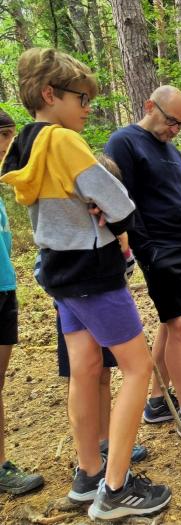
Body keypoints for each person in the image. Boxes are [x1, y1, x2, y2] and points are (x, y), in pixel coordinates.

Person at [1, 48, 170, 519]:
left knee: (84, 369)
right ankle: (116, 489)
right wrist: (107, 209)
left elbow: (70, 203)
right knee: (137, 369)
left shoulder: (27, 145)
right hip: (94, 274)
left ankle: (89, 472)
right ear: (49, 94)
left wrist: (90, 206)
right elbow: (119, 203)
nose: (87, 107)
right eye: (82, 98)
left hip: (58, 271)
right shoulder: (63, 140)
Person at [105, 85, 181, 450]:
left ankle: (157, 400)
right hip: (160, 249)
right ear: (149, 106)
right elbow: (122, 201)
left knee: (175, 322)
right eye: (172, 121)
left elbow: (180, 194)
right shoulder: (125, 142)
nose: (175, 130)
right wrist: (146, 249)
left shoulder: (170, 150)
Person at [52, 155, 145, 464]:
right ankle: (90, 454)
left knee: (103, 377)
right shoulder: (72, 237)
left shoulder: (117, 235)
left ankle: (106, 441)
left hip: (105, 312)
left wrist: (120, 242)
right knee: (87, 377)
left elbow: (127, 269)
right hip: (81, 305)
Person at [0, 110, 44, 496]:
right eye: (3, 137)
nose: (7, 147)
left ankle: (0, 466)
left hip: (5, 288)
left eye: (11, 137)